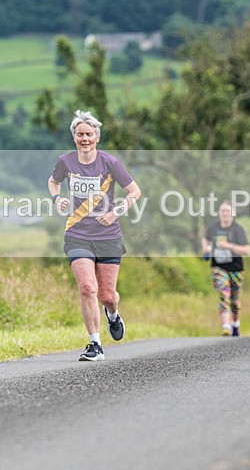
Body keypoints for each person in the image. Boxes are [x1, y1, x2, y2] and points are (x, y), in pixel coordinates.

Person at [48, 110, 142, 361]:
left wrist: (115, 212)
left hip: (108, 236)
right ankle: (95, 344)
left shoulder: (110, 163)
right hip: (77, 233)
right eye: (80, 134)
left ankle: (113, 313)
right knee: (87, 288)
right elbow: (53, 182)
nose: (84, 139)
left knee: (107, 296)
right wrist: (57, 199)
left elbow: (134, 192)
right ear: (74, 137)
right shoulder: (65, 162)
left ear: (97, 137)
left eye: (89, 134)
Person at [202, 200, 250, 336]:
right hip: (218, 267)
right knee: (224, 294)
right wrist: (205, 248)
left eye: (227, 211)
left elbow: (247, 250)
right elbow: (205, 240)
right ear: (219, 213)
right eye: (222, 211)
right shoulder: (213, 228)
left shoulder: (238, 230)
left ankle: (235, 324)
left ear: (232, 214)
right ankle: (226, 327)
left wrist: (229, 246)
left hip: (236, 268)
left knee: (235, 300)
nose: (225, 214)